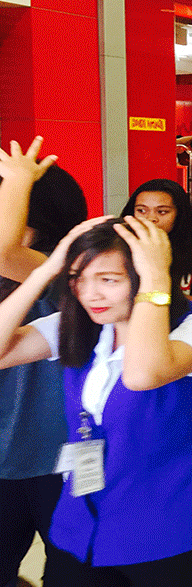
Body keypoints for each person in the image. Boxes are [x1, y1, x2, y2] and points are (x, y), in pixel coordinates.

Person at [0, 216, 192, 586]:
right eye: (79, 278)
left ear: (143, 276)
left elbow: (142, 374)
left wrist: (157, 277)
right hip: (80, 528)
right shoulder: (82, 326)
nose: (90, 294)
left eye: (109, 280)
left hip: (171, 532)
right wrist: (47, 270)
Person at [0, 137, 88, 587]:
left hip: (61, 462)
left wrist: (16, 180)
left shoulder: (69, 273)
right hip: (6, 464)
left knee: (72, 572)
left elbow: (4, 249)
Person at [121, 179, 192, 308]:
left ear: (179, 214)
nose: (151, 218)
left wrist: (157, 290)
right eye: (141, 210)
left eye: (162, 211)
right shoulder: (119, 250)